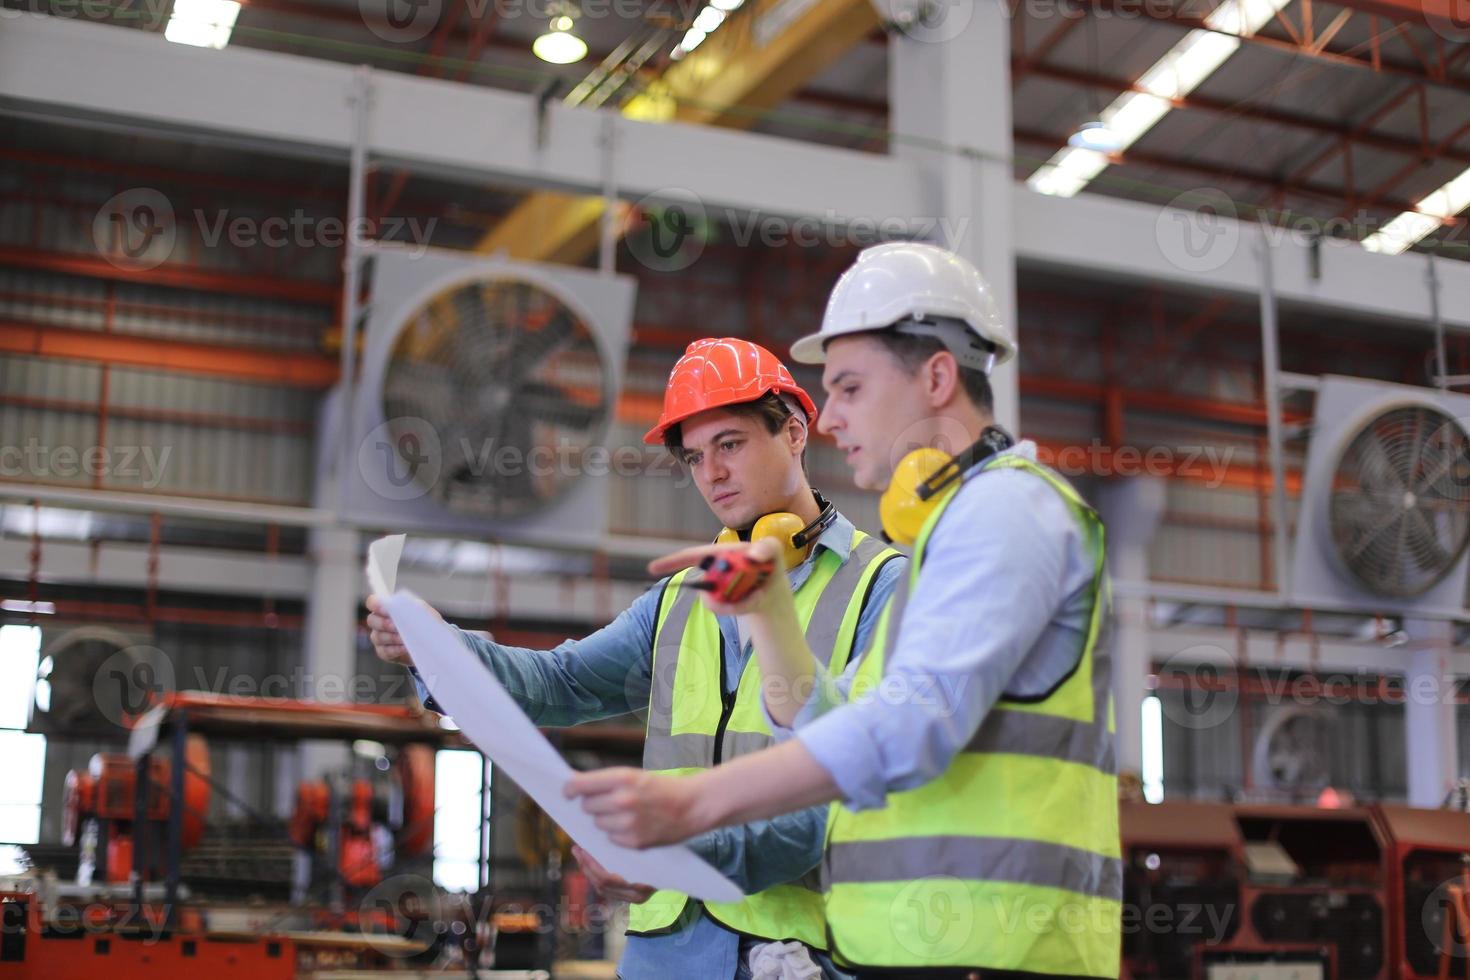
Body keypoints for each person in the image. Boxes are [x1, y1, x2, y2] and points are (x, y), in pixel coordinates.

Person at [566, 244, 1122, 979]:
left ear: (937, 377)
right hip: (924, 951)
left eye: (851, 388)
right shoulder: (945, 541)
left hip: (1000, 952)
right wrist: (768, 614)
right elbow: (840, 726)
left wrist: (692, 806)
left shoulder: (1009, 511)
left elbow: (904, 730)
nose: (828, 420)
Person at [368, 337, 906, 980]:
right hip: (664, 954)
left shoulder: (882, 588)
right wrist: (439, 647)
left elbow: (842, 797)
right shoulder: (680, 600)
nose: (712, 474)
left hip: (799, 954)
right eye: (694, 457)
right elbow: (559, 684)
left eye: (729, 444)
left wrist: (673, 853)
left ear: (794, 431)